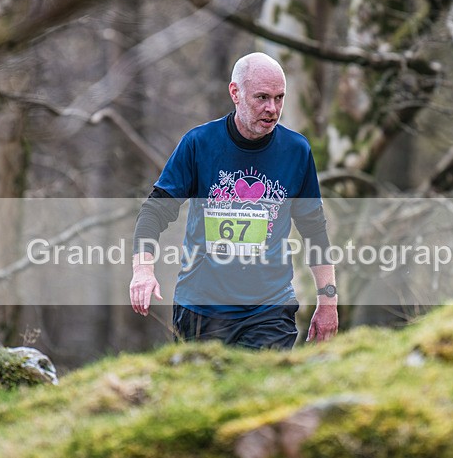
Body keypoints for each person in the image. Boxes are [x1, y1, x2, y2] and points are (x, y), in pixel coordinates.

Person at [129, 52, 338, 349]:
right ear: (235, 93)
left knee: (262, 391)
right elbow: (153, 212)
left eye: (280, 98)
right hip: (201, 309)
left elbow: (314, 230)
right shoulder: (199, 144)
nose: (272, 109)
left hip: (270, 309)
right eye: (262, 97)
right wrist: (143, 271)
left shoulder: (296, 150)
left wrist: (328, 300)